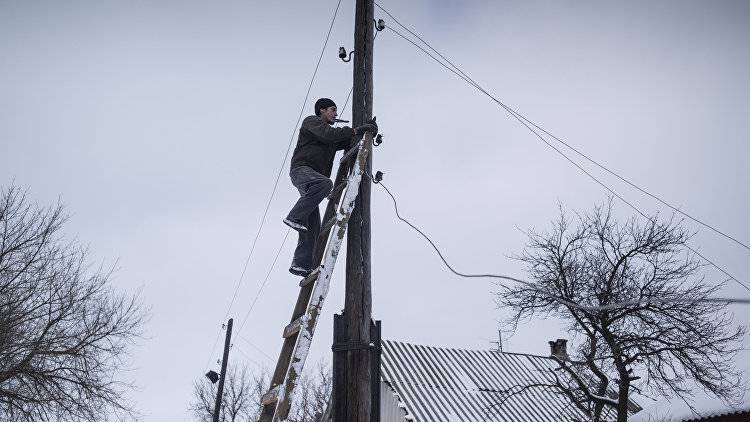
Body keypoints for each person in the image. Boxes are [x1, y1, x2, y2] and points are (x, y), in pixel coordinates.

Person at [284, 98, 377, 277]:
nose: (335, 114)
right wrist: (357, 129)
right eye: (332, 110)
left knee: (313, 226)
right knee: (325, 184)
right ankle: (294, 216)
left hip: (313, 180)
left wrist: (367, 132)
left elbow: (344, 140)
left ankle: (301, 264)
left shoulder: (329, 136)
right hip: (302, 170)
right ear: (322, 110)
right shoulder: (311, 122)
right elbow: (330, 135)